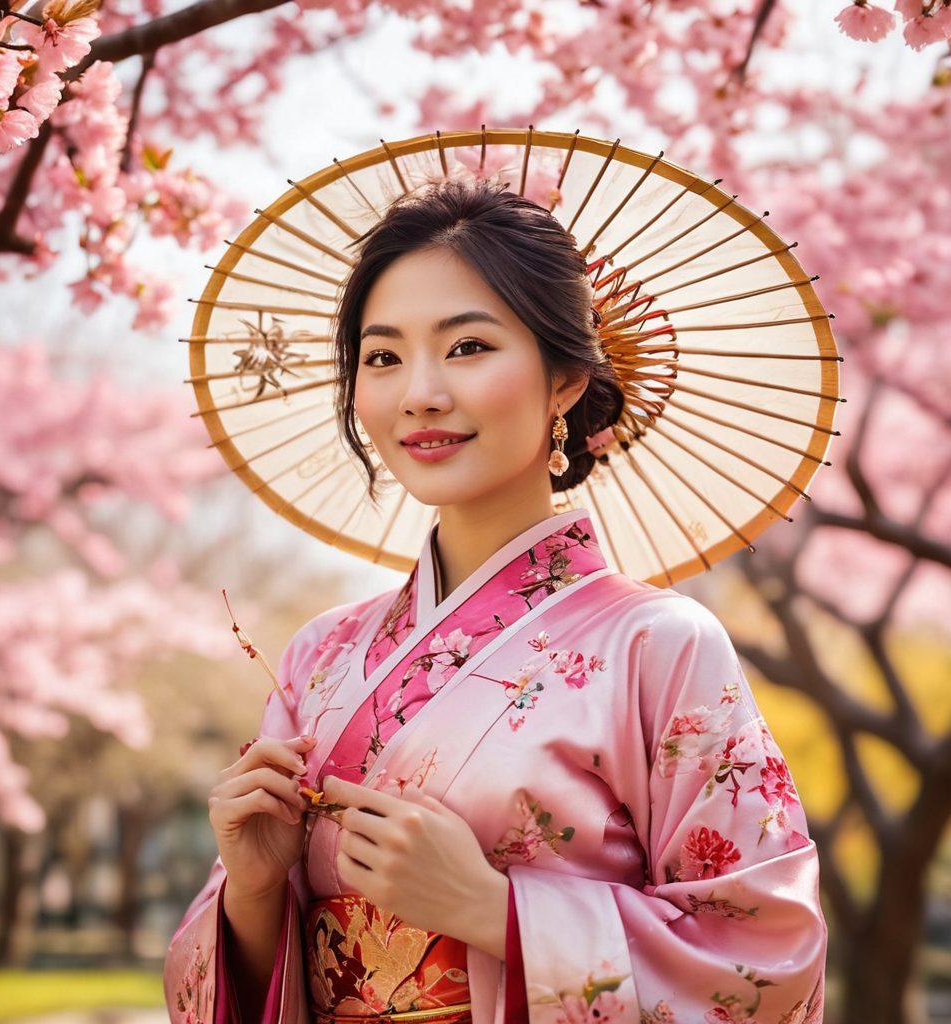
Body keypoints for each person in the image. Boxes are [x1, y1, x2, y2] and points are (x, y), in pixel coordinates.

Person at [163, 177, 828, 1024]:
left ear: (566, 379)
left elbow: (767, 964)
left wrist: (491, 910)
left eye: (468, 346)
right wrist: (254, 892)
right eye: (382, 357)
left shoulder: (658, 645)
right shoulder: (319, 656)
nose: (420, 393)